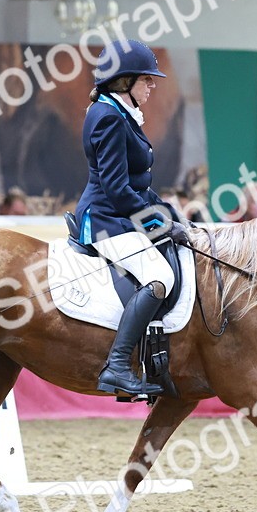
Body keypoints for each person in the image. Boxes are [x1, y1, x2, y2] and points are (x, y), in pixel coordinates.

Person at [74, 39, 188, 397]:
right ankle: (118, 366)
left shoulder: (120, 112)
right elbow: (117, 189)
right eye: (146, 79)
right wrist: (157, 226)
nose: (153, 85)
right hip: (105, 218)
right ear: (124, 81)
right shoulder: (107, 117)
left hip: (119, 213)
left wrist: (171, 217)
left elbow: (139, 186)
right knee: (159, 277)